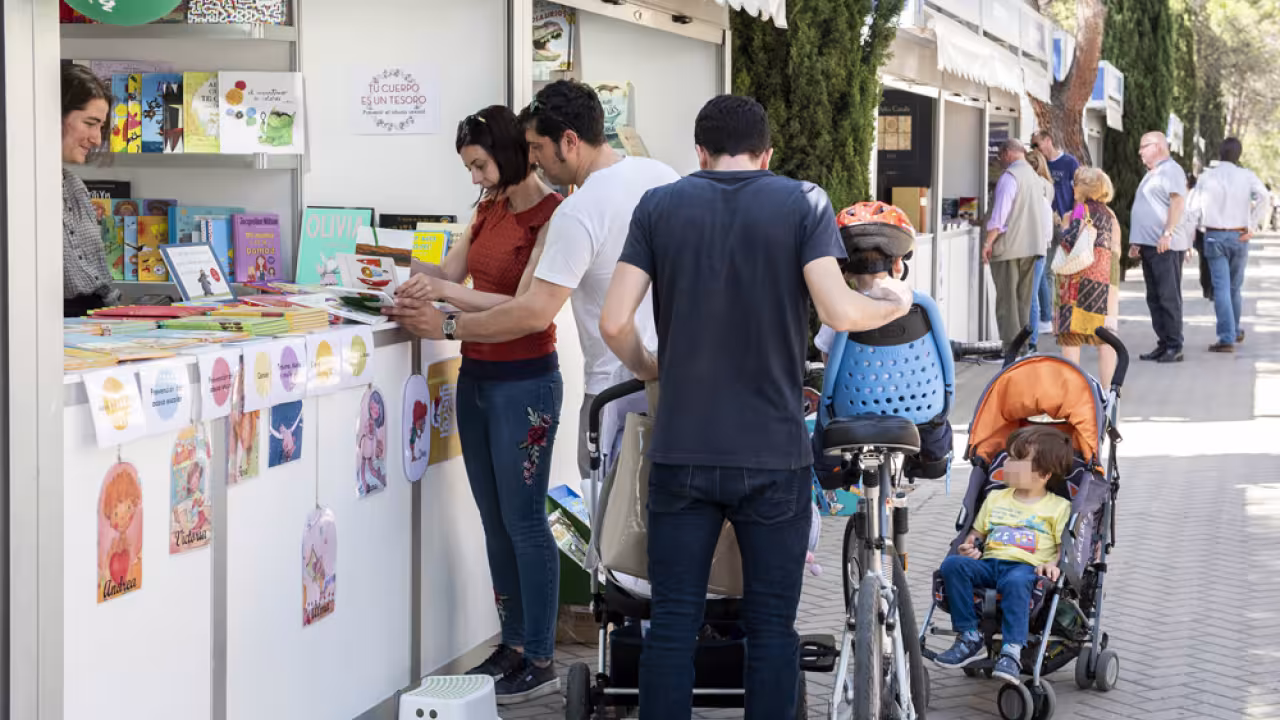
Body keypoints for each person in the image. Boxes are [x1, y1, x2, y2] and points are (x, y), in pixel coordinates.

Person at [599, 94, 913, 720]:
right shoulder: (803, 202)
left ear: (700, 152)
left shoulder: (659, 205)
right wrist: (896, 303)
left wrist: (650, 367)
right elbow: (838, 311)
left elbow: (613, 322)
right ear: (767, 154)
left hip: (681, 451)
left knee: (672, 625)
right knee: (771, 629)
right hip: (772, 456)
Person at [387, 80, 678, 483]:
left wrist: (447, 325)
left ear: (570, 141)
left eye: (538, 147)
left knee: (610, 514)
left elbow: (532, 311)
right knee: (666, 510)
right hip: (676, 381)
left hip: (610, 391)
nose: (534, 159)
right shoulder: (663, 176)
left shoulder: (574, 211)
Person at [391, 106, 566, 703]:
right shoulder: (488, 208)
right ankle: (511, 644)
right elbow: (449, 273)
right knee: (494, 520)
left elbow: (524, 304)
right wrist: (395, 271)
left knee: (524, 520)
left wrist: (444, 291)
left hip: (526, 381)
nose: (475, 178)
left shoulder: (553, 215)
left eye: (480, 165)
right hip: (478, 377)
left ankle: (540, 656)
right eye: (469, 167)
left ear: (510, 153)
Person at [932, 425, 1074, 685]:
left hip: (1025, 567)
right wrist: (969, 546)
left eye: (1017, 460)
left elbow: (1060, 547)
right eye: (1008, 457)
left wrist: (1052, 565)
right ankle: (969, 635)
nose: (1006, 463)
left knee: (1016, 582)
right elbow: (976, 533)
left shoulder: (1058, 507)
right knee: (952, 565)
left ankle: (1012, 650)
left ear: (1043, 474)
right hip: (990, 563)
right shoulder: (996, 498)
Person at [1183, 137, 1270, 353]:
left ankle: (1226, 337)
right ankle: (1234, 330)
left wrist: (1188, 239)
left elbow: (1192, 209)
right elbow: (1264, 197)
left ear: (1220, 153)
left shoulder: (1207, 176)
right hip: (1240, 236)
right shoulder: (1247, 176)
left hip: (1214, 236)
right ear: (1238, 155)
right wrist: (1253, 225)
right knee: (1234, 288)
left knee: (1221, 288)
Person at [1053, 167, 1121, 388]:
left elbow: (1069, 244)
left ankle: (1072, 391)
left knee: (1072, 337)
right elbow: (1116, 251)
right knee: (1106, 338)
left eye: (1077, 183)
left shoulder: (1081, 211)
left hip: (1080, 282)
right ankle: (1109, 391)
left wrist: (1064, 225)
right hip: (1108, 283)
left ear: (1085, 188)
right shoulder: (1111, 215)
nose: (1073, 188)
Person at [61, 63, 121, 317]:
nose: (97, 139)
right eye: (90, 123)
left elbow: (100, 279)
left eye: (100, 127)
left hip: (92, 320)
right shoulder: (18, 189)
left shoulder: (73, 185)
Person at [985, 139, 1052, 352]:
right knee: (1024, 301)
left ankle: (1010, 349)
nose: (1000, 161)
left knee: (1007, 302)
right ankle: (1023, 347)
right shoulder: (1037, 179)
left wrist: (988, 242)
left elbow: (999, 216)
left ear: (1007, 153)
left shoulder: (1009, 177)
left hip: (1009, 248)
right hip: (1032, 248)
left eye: (1000, 156)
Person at [1129, 131, 1189, 363]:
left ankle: (1174, 345)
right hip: (1149, 245)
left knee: (1168, 296)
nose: (1140, 152)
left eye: (1144, 146)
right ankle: (1163, 343)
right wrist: (1137, 241)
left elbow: (1177, 201)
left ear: (1158, 146)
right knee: (1154, 298)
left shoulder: (1171, 170)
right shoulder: (1152, 173)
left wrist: (1168, 233)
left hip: (1165, 246)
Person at [1030, 130, 1081, 334]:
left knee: (1067, 271)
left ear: (1048, 141)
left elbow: (1078, 194)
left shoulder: (1069, 163)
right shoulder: (1039, 165)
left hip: (1065, 224)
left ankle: (1066, 315)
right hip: (1047, 226)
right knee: (1047, 271)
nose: (1035, 149)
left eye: (1037, 144)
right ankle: (1049, 315)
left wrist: (1074, 221)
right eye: (1033, 146)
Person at [1024, 149, 1057, 351]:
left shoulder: (1037, 189)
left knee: (1033, 293)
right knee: (1041, 283)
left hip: (1036, 245)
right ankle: (1042, 322)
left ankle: (1033, 339)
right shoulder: (1048, 185)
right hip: (1042, 243)